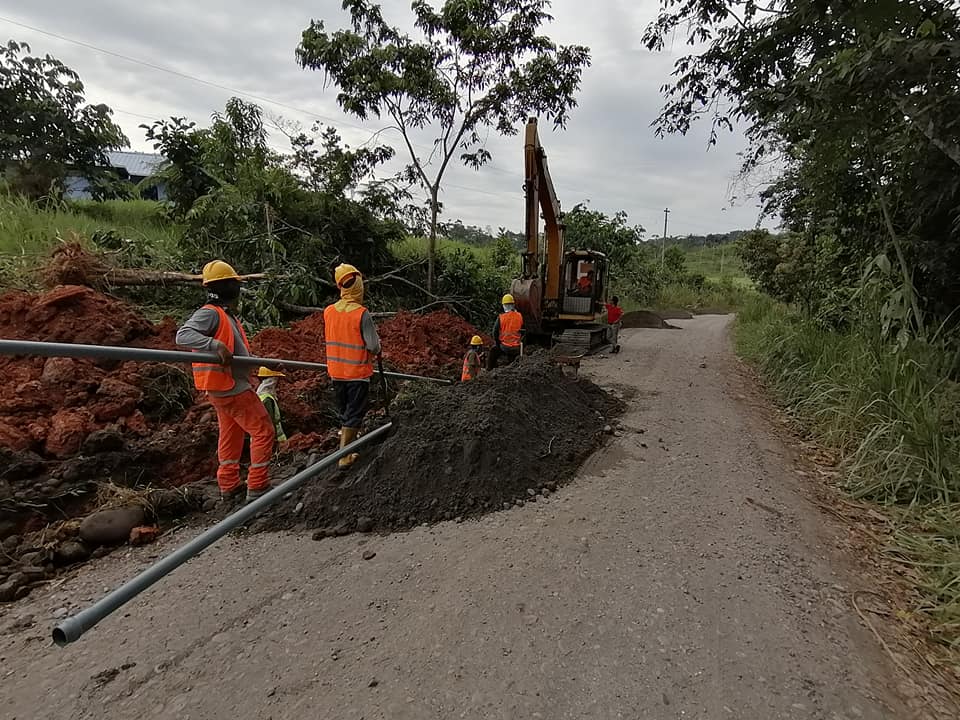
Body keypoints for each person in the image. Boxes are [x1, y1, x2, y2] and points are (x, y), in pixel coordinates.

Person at [176, 260, 275, 503]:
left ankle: (229, 484)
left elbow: (238, 353)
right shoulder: (211, 313)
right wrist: (213, 344)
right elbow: (183, 335)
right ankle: (258, 485)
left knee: (232, 434)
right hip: (231, 387)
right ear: (229, 287)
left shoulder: (225, 316)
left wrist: (257, 365)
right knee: (264, 431)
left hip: (222, 387)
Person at [323, 263, 381, 470]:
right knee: (354, 413)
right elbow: (373, 346)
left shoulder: (329, 312)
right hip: (356, 373)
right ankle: (344, 456)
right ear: (358, 285)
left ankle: (347, 445)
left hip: (336, 373)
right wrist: (378, 346)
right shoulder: (361, 313)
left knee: (346, 413)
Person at [487, 293, 524, 370]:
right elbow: (524, 330)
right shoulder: (519, 316)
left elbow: (494, 332)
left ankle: (489, 369)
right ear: (513, 305)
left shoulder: (501, 317)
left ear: (503, 306)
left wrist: (498, 342)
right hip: (517, 348)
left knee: (493, 351)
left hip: (504, 347)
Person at [256, 367, 288, 444]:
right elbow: (269, 423)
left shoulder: (259, 396)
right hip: (273, 440)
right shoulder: (267, 399)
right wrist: (274, 441)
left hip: (262, 439)